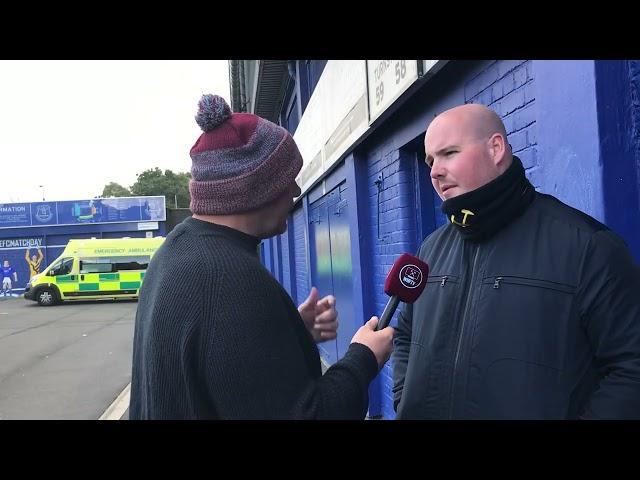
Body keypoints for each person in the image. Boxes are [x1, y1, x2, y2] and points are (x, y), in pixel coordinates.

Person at [130, 94, 394, 420]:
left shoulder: (174, 253)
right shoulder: (229, 280)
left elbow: (220, 367)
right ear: (257, 188)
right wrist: (364, 358)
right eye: (288, 179)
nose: (296, 191)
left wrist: (289, 333)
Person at [393, 103, 640, 419]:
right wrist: (405, 399)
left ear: (496, 149)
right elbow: (405, 336)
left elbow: (630, 367)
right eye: (430, 160)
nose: (435, 171)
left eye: (449, 153)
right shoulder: (430, 250)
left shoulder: (588, 246)